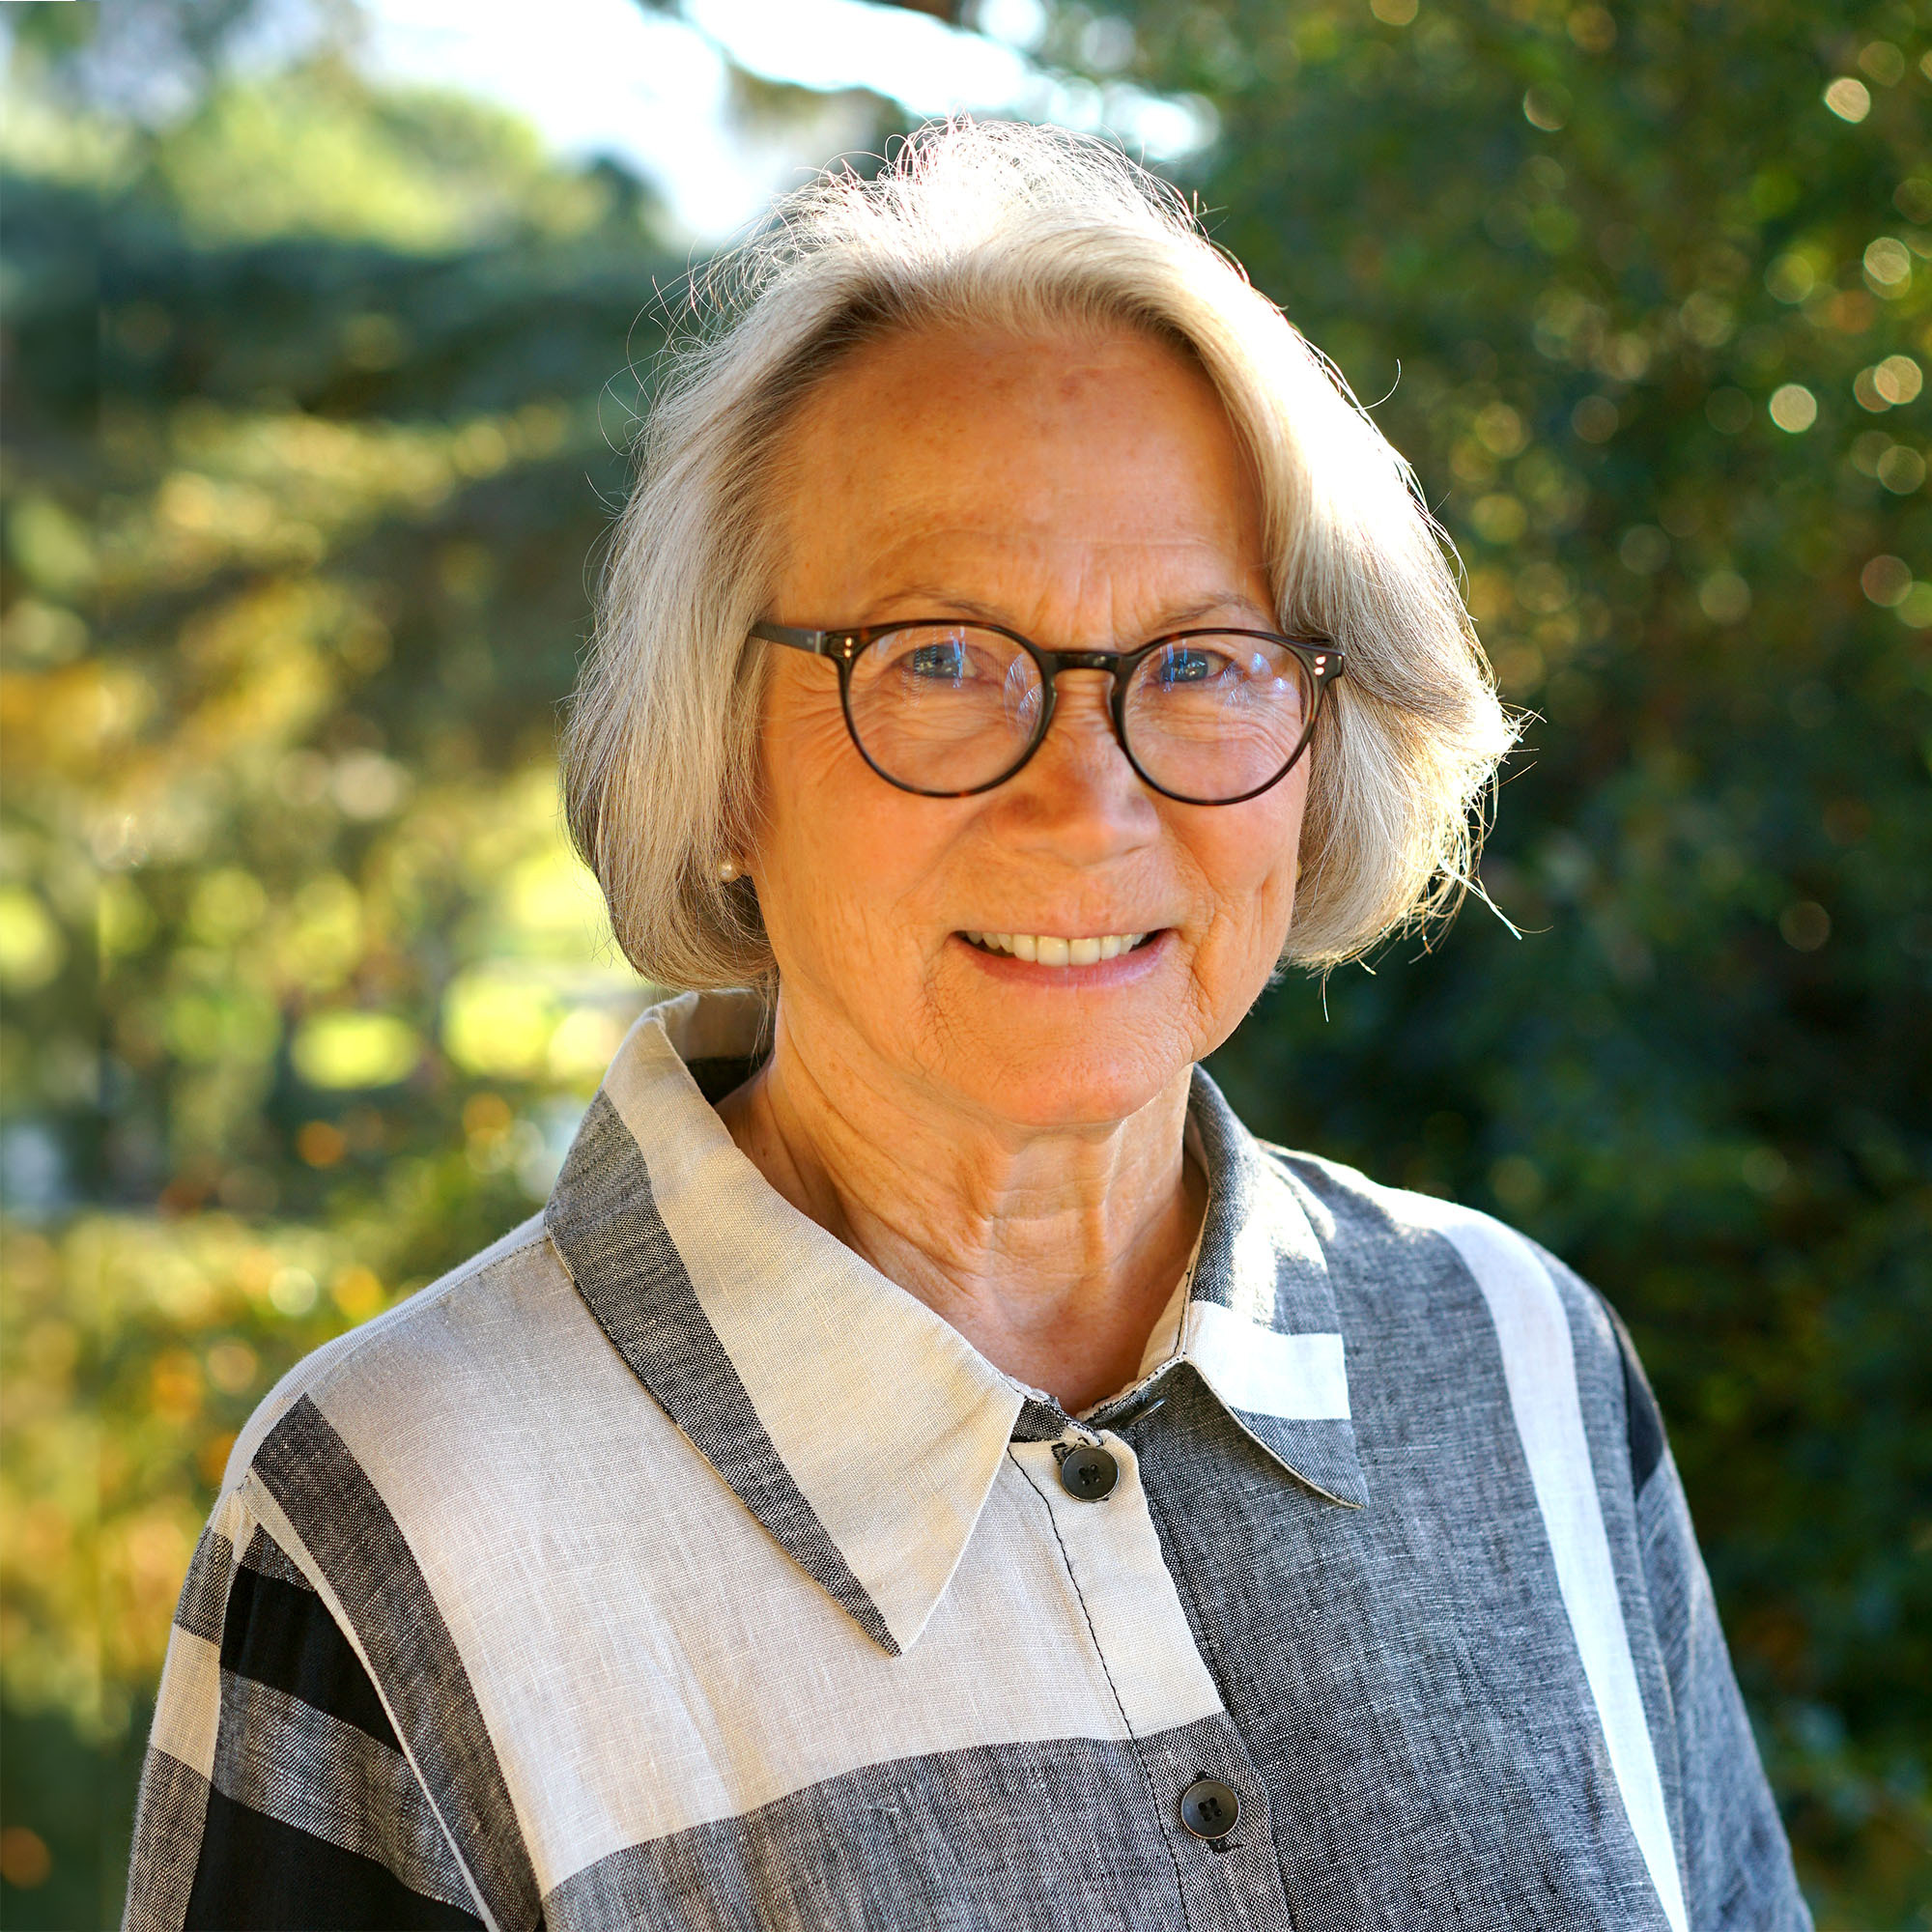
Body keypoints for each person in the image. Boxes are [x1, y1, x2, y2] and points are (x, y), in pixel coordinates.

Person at [123, 121, 1808, 1932]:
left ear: (1319, 749)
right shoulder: (401, 1514)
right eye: (937, 657)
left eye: (1206, 659)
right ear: (723, 765)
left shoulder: (1522, 1362)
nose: (1088, 806)